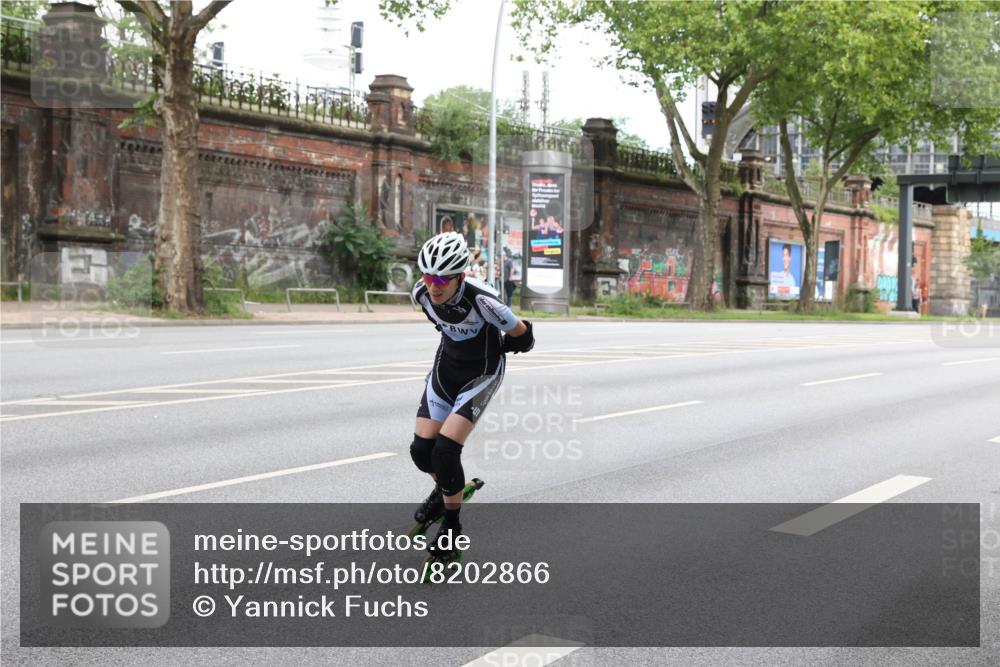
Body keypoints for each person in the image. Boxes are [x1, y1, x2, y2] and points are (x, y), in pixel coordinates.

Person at [408, 231, 535, 559]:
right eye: (427, 275)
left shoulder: (483, 299)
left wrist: (502, 347)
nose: (433, 285)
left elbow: (525, 336)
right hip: (447, 368)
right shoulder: (421, 294)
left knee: (445, 451)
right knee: (422, 451)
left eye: (442, 278)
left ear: (461, 276)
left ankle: (452, 525)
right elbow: (443, 327)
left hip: (481, 373)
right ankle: (446, 489)